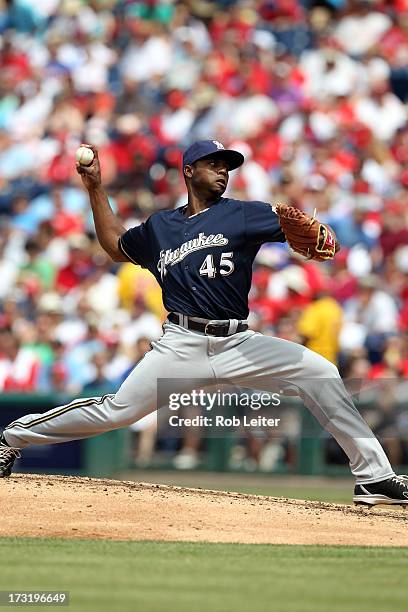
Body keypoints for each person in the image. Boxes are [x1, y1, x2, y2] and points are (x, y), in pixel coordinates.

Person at [1, 140, 407, 507]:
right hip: (181, 343)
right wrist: (95, 189)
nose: (223, 170)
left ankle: (374, 477)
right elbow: (114, 246)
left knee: (320, 372)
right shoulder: (161, 228)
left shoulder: (246, 215)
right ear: (188, 171)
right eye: (213, 163)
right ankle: (11, 438)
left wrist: (323, 236)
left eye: (227, 165)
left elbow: (312, 234)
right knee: (115, 412)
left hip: (238, 343)